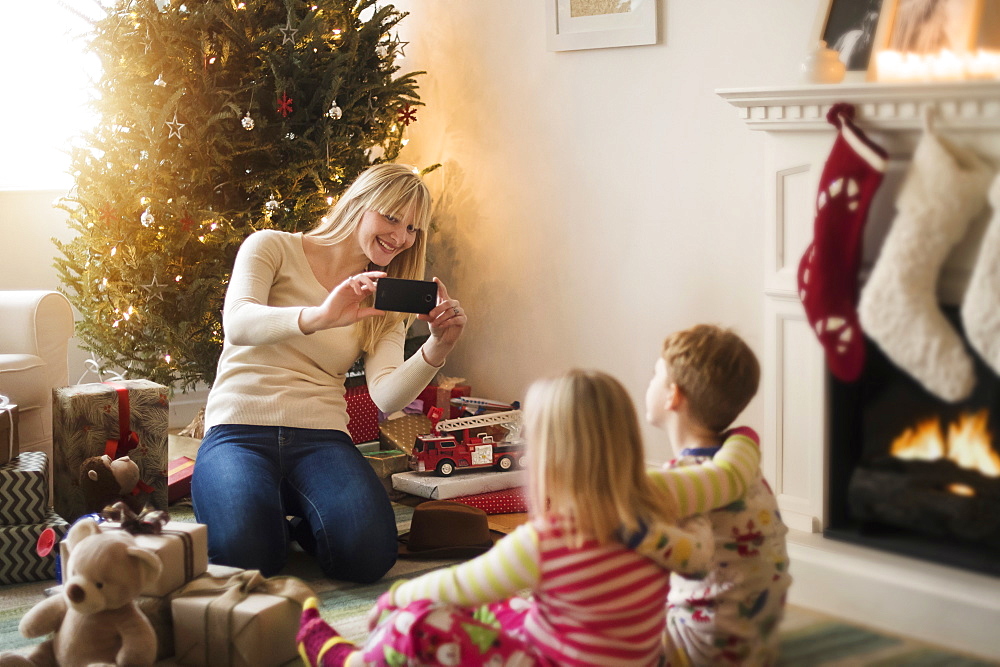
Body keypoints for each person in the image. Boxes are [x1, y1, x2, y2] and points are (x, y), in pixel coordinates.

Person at [297, 369, 730, 666]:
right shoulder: (659, 520)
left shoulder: (548, 540)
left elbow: (457, 585)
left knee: (418, 621)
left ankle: (353, 660)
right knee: (511, 607)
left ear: (548, 459)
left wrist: (395, 600)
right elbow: (698, 558)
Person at [191, 163, 466, 583]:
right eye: (391, 217)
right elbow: (239, 322)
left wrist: (437, 347)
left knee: (371, 554)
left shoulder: (386, 297)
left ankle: (298, 520)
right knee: (247, 557)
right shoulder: (271, 247)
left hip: (320, 439)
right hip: (239, 430)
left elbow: (386, 397)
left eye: (412, 228)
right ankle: (269, 515)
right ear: (359, 203)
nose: (400, 236)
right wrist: (320, 316)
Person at [644, 324, 791, 666]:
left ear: (672, 396)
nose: (649, 383)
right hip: (757, 644)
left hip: (699, 649)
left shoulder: (681, 485)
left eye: (655, 375)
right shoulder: (742, 461)